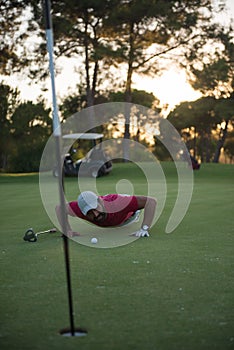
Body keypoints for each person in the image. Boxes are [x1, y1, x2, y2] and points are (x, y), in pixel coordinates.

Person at [55, 191, 157, 238]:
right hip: (112, 213)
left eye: (95, 208)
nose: (95, 215)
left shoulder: (118, 203)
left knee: (127, 203)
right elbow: (59, 208)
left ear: (100, 202)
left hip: (129, 218)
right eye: (89, 213)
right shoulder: (79, 209)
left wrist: (144, 228)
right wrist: (67, 230)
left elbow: (151, 202)